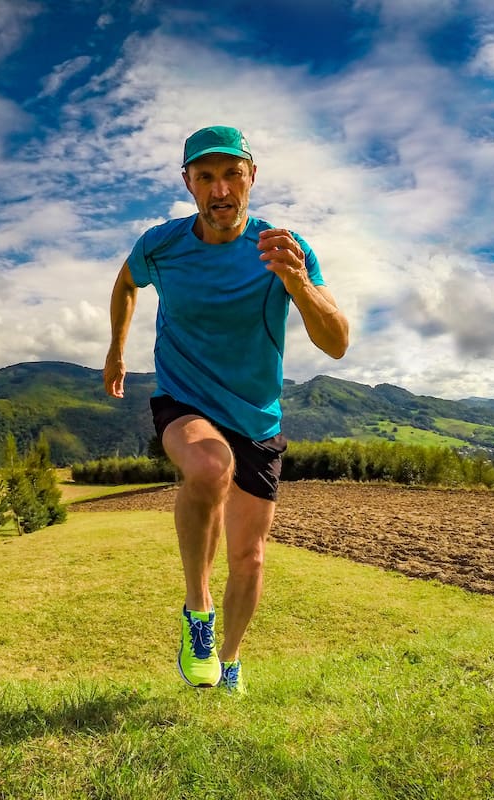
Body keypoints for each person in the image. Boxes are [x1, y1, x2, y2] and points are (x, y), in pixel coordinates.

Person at [102, 125, 349, 693]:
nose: (220, 189)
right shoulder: (160, 245)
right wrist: (117, 350)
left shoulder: (283, 247)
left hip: (257, 418)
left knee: (251, 559)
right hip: (183, 400)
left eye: (231, 173)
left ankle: (229, 661)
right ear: (187, 183)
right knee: (210, 466)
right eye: (205, 176)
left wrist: (297, 282)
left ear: (252, 177)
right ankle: (197, 611)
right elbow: (125, 283)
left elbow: (335, 341)